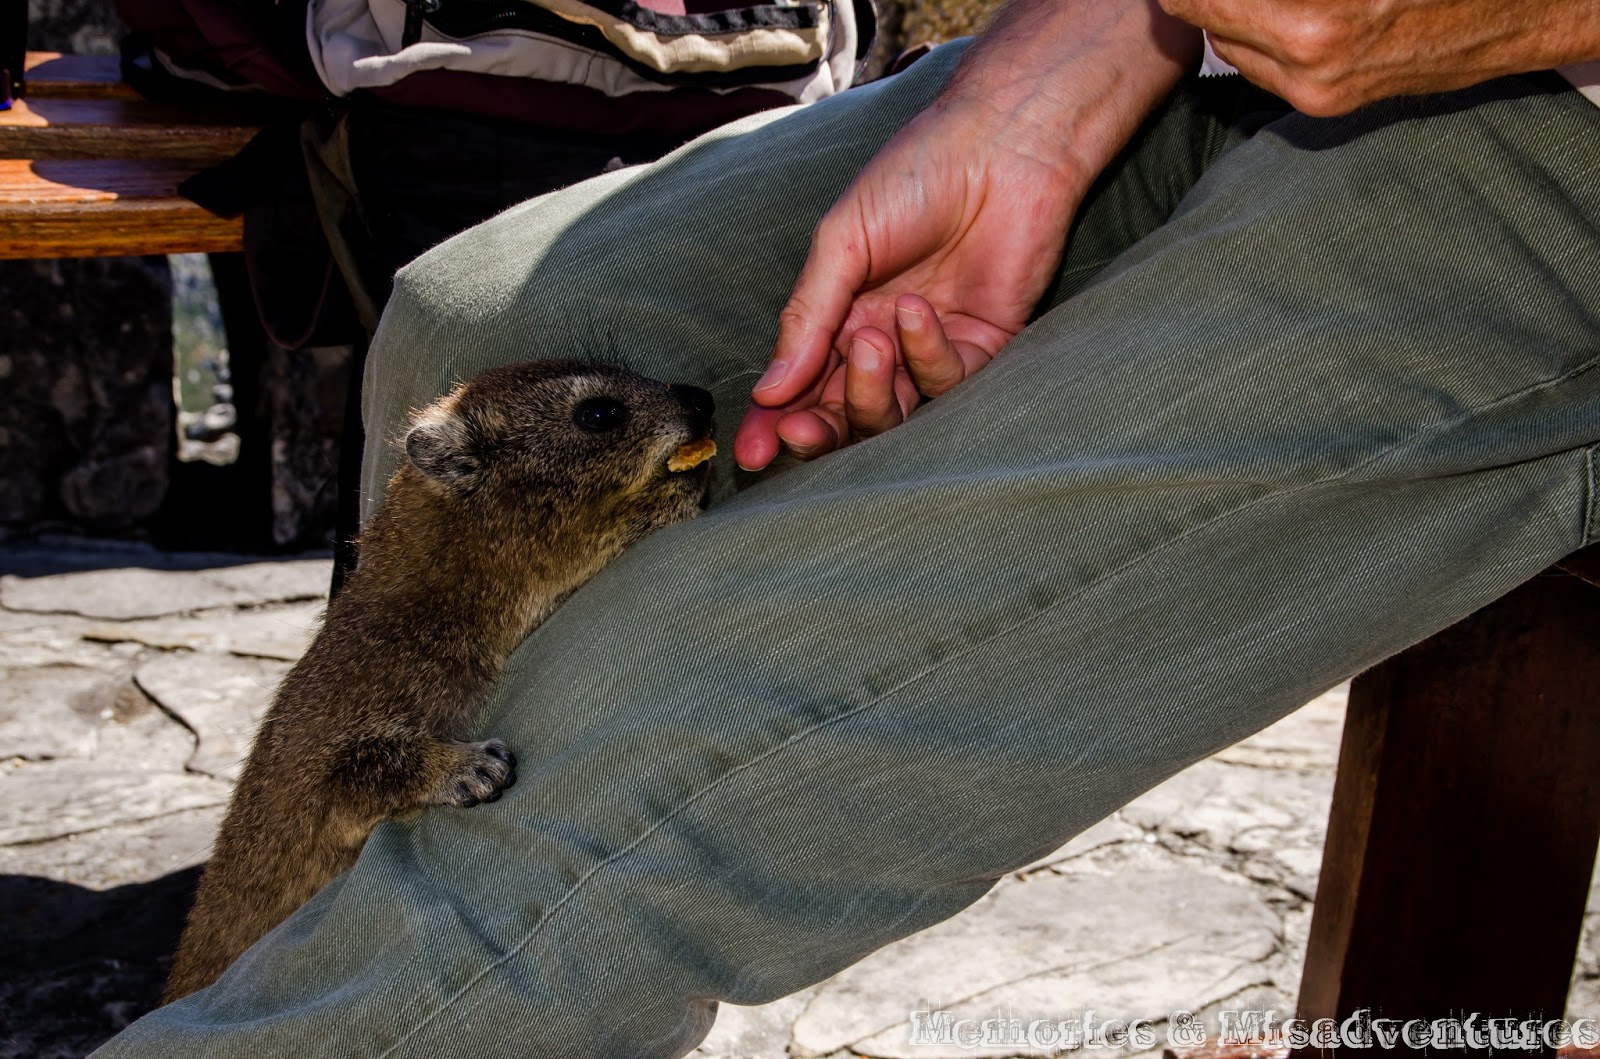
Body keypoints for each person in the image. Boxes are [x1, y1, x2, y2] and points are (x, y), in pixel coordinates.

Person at [96, 1, 1600, 1055]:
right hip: (1218, 49)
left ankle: (454, 968)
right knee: (471, 323)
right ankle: (384, 963)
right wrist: (1047, 82)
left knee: (644, 731)